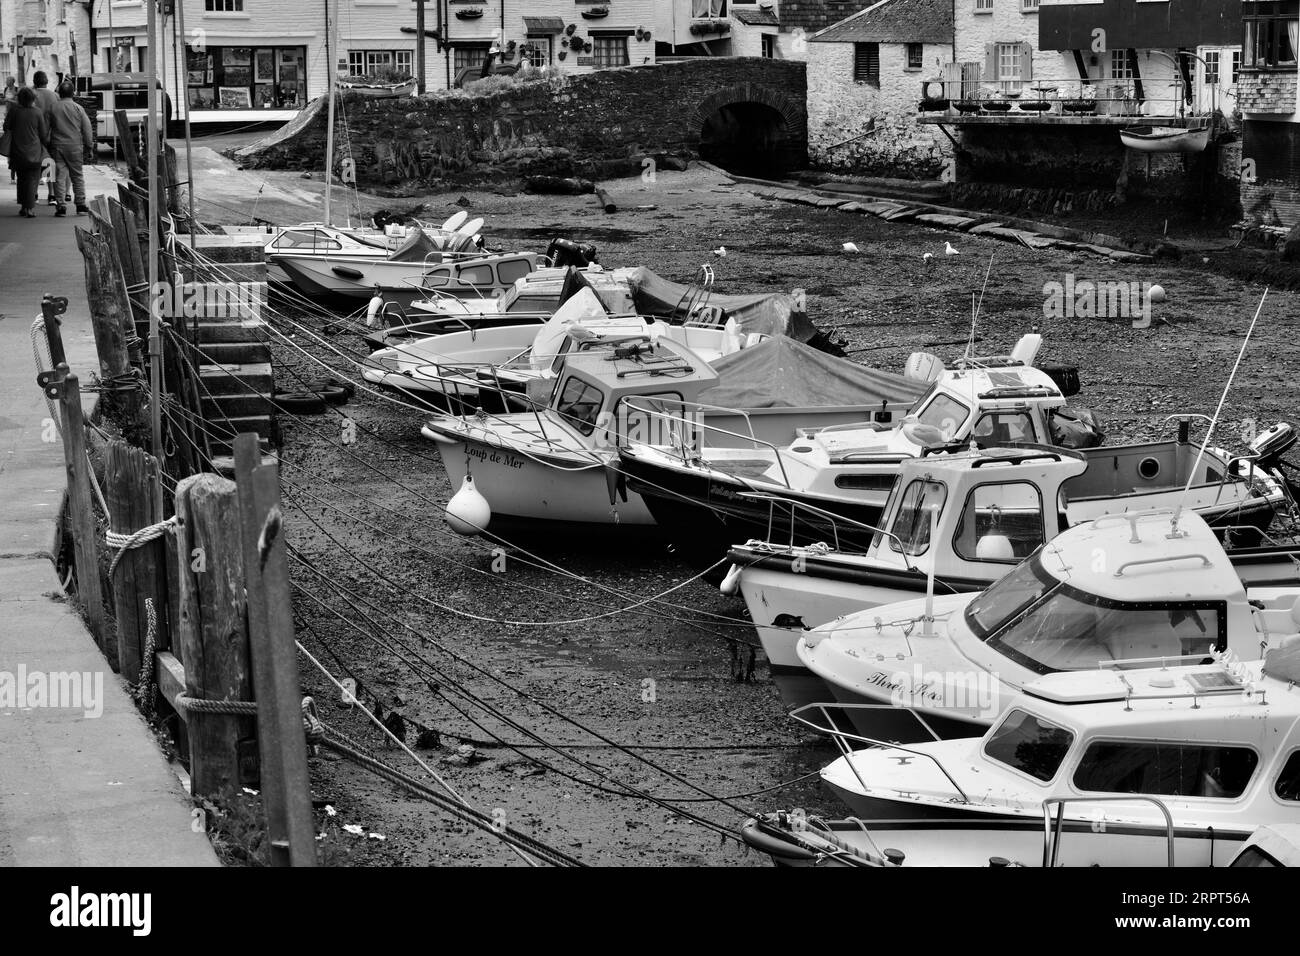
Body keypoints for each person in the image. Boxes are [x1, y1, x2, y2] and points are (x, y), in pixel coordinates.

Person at [2, 87, 50, 217]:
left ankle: (24, 206)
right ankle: (29, 207)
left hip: (17, 150)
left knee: (22, 179)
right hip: (34, 151)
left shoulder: (14, 111)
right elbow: (43, 134)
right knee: (32, 179)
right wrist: (46, 146)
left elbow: (6, 127)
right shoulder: (37, 112)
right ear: (33, 99)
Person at [48, 80, 93, 216]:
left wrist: (47, 143)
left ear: (59, 93)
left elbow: (46, 129)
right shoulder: (78, 108)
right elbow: (87, 129)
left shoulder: (53, 108)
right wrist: (89, 146)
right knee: (77, 175)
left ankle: (61, 206)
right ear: (73, 93)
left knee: (59, 176)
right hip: (75, 146)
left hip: (57, 146)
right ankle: (80, 205)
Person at [29, 72, 58, 204]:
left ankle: (34, 193)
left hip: (34, 134)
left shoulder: (32, 95)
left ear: (35, 81)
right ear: (46, 81)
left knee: (35, 165)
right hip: (49, 134)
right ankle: (51, 194)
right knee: (48, 163)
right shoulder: (54, 96)